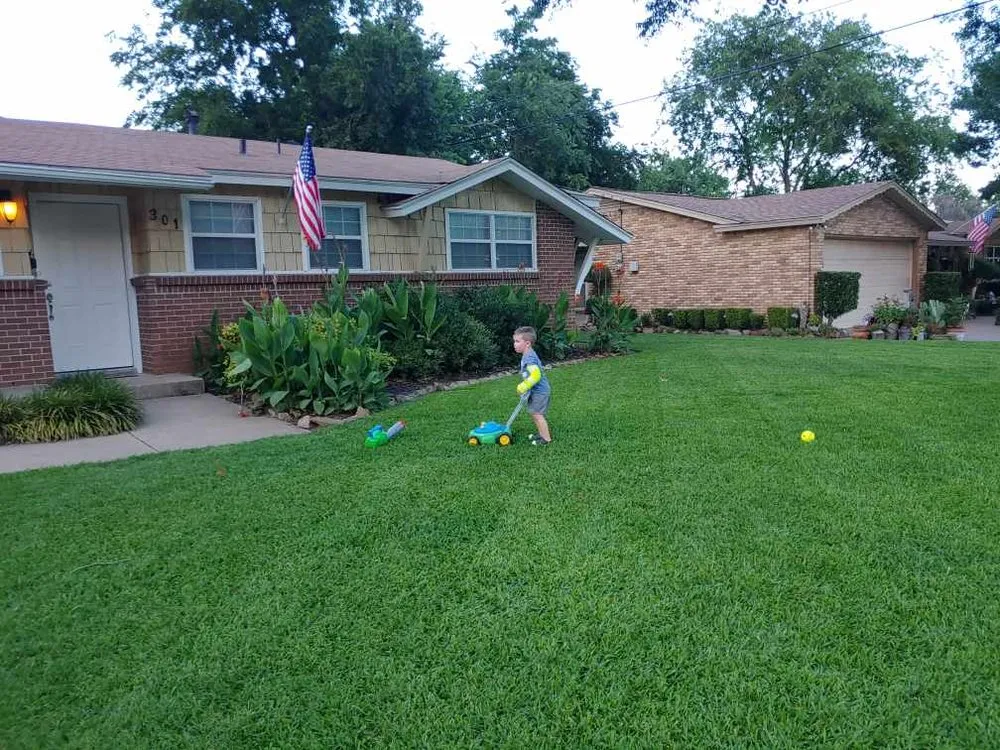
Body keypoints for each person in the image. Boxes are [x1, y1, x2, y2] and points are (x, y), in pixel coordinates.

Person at [512, 326, 552, 446]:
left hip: (540, 391)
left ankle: (546, 439)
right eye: (514, 341)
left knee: (538, 415)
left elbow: (535, 375)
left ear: (527, 343)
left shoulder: (529, 357)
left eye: (517, 341)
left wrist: (523, 386)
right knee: (534, 413)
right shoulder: (527, 354)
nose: (514, 344)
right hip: (535, 391)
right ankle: (541, 433)